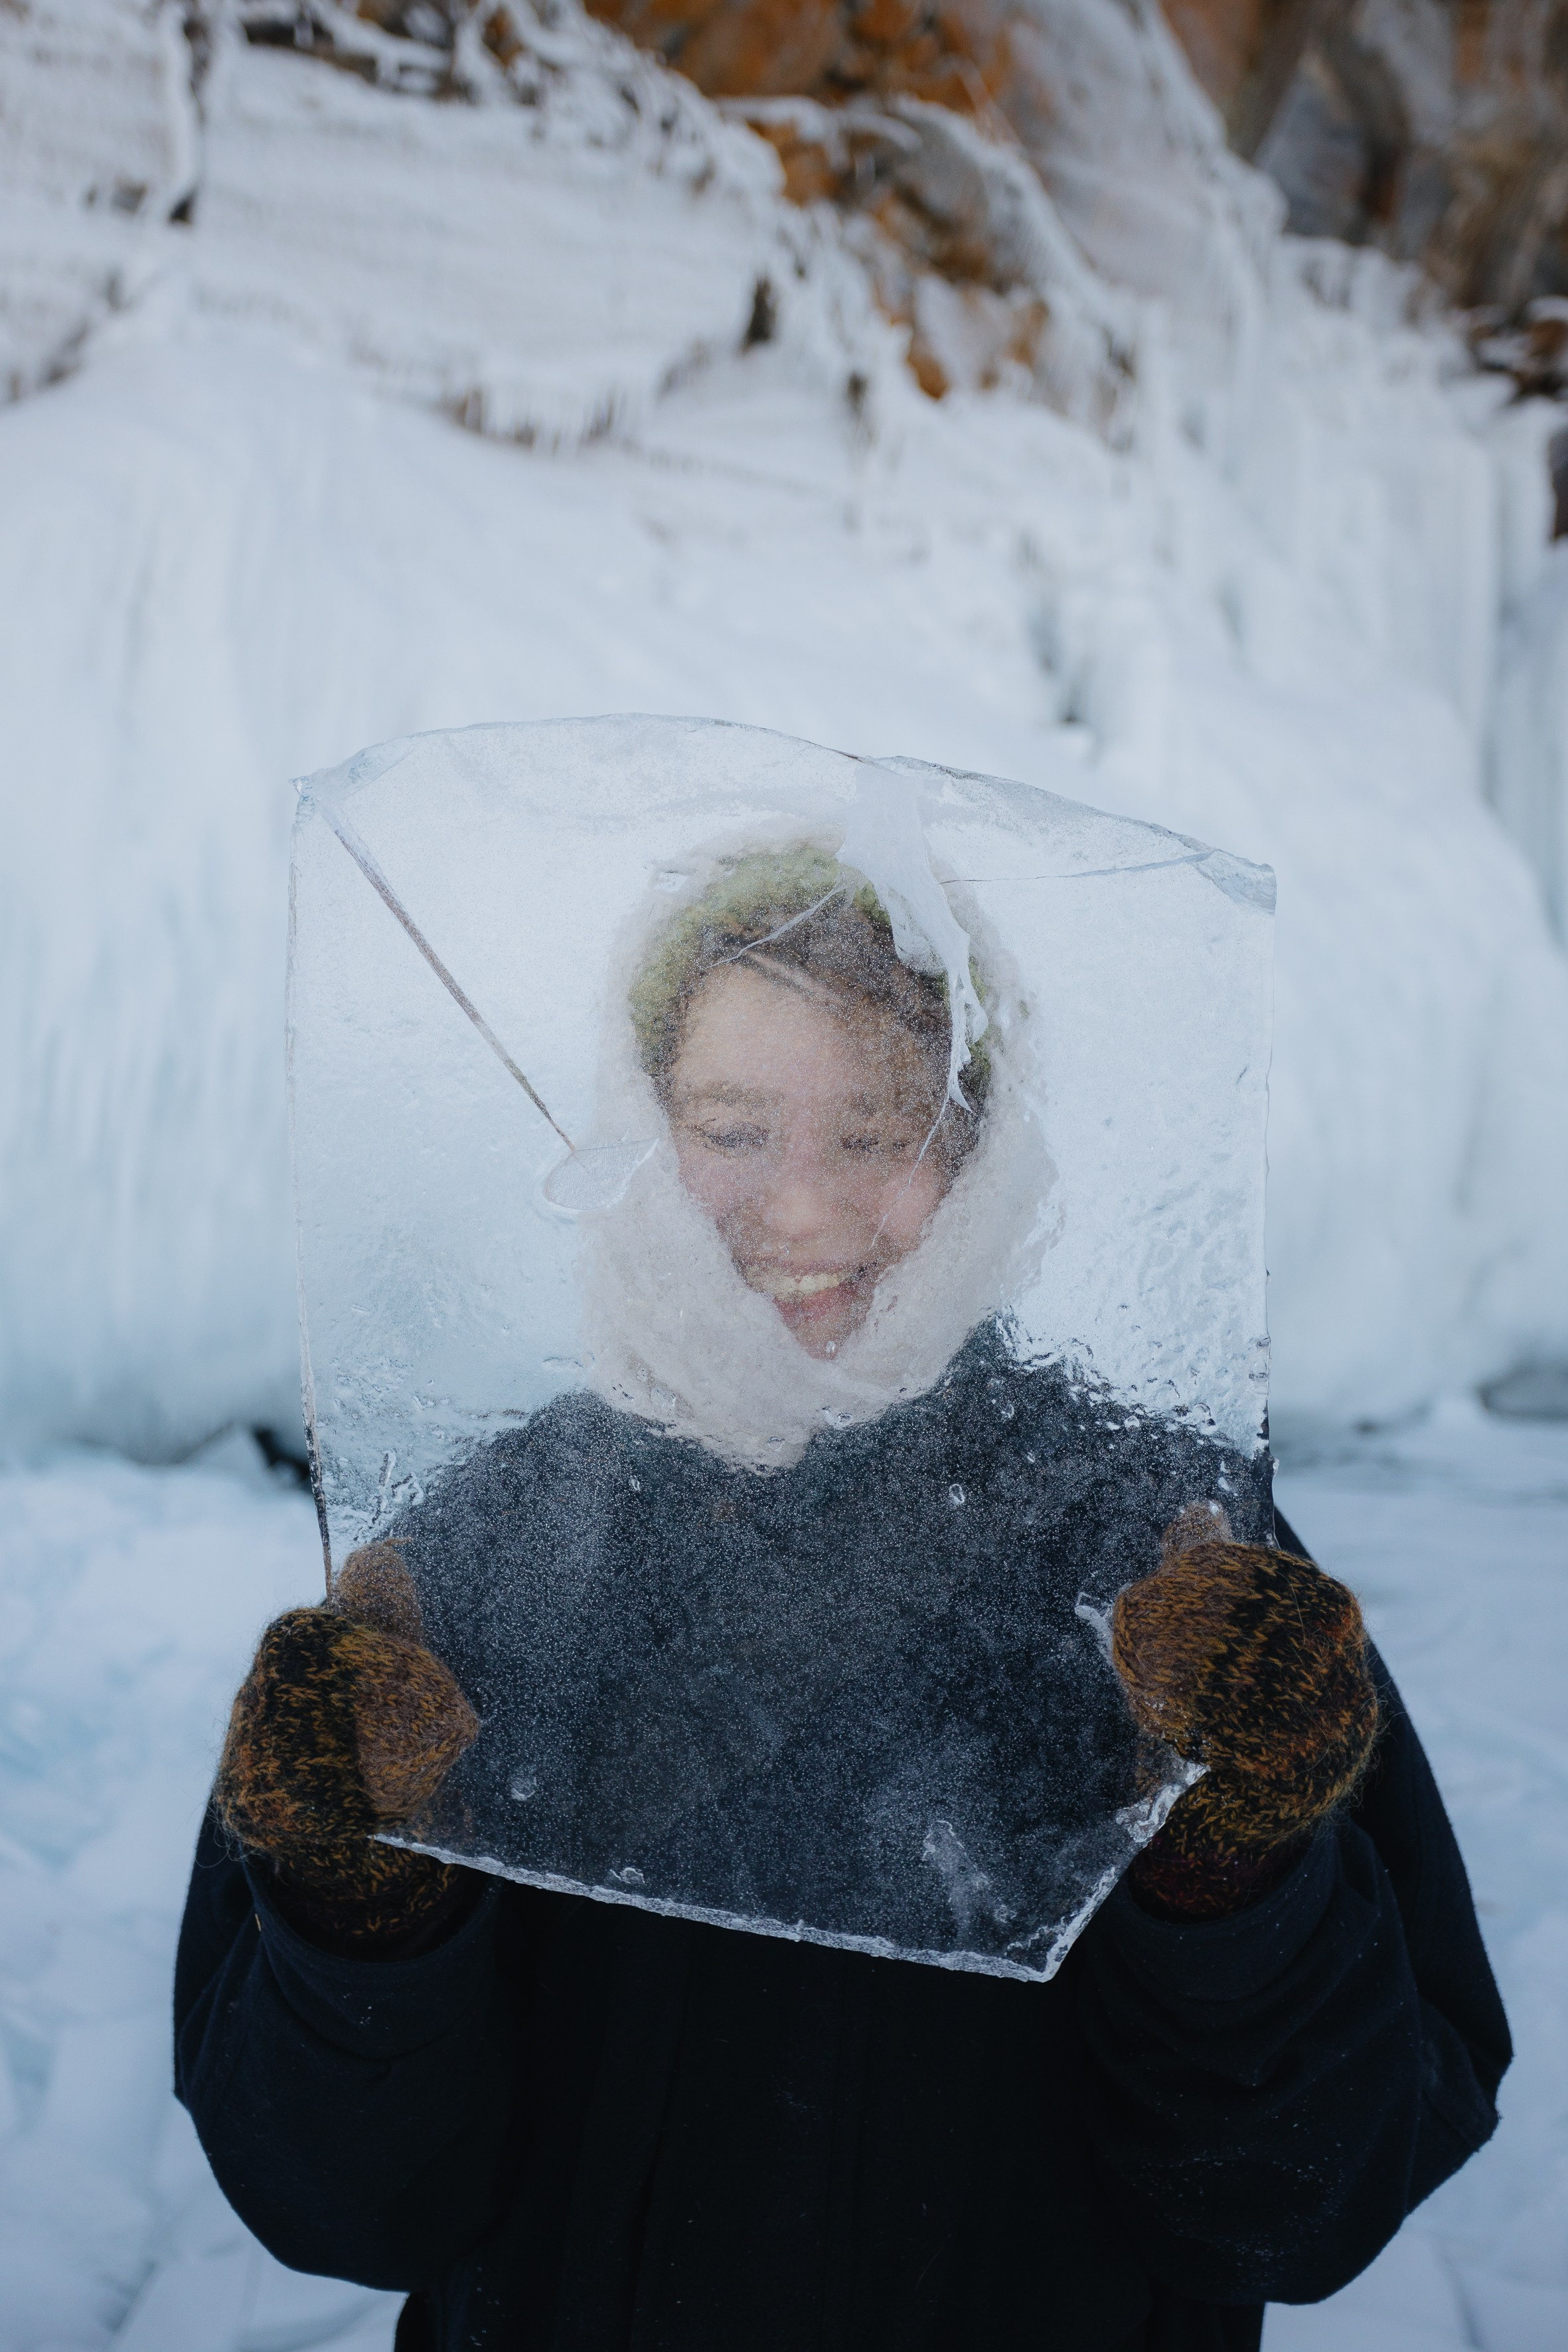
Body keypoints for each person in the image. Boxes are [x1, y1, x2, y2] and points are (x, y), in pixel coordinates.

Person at [176, 852, 1509, 2351]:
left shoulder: (1168, 1552)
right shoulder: (480, 1552)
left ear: (982, 1150)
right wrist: (359, 1907)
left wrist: (1234, 1869)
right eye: (730, 1127)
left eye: (875, 1131)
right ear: (635, 1126)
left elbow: (1295, 2205)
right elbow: (349, 2207)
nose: (798, 1207)